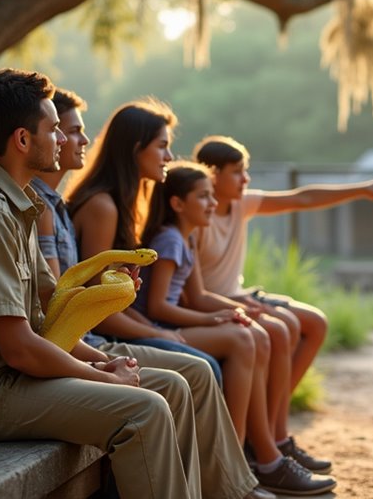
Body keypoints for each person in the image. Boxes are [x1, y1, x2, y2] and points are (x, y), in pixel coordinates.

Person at [0, 69, 250, 499]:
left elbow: (55, 312)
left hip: (20, 378)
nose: (62, 140)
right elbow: (18, 347)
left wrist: (99, 361)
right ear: (22, 139)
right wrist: (103, 378)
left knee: (174, 384)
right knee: (144, 409)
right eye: (54, 129)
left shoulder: (19, 205)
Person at [31, 88, 272, 499]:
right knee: (198, 369)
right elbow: (78, 308)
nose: (168, 156)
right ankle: (238, 481)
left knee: (202, 366)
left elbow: (93, 296)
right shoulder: (98, 205)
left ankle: (236, 479)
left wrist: (163, 325)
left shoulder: (108, 204)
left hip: (92, 340)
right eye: (162, 146)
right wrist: (157, 335)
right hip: (90, 341)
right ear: (136, 148)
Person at [193, 134, 373, 472]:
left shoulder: (241, 204)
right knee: (283, 327)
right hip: (215, 304)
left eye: (246, 171)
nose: (245, 179)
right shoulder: (195, 216)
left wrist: (365, 188)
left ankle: (274, 432)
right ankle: (268, 443)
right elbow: (191, 293)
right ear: (212, 174)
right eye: (237, 172)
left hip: (242, 294)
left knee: (315, 323)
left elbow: (303, 198)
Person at [134, 161, 336, 496]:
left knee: (254, 331)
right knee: (245, 337)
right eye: (204, 197)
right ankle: (242, 462)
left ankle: (250, 454)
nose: (213, 204)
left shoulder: (186, 238)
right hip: (157, 328)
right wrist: (211, 320)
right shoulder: (169, 240)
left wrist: (237, 309)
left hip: (175, 321)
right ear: (177, 203)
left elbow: (197, 295)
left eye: (212, 196)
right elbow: (157, 307)